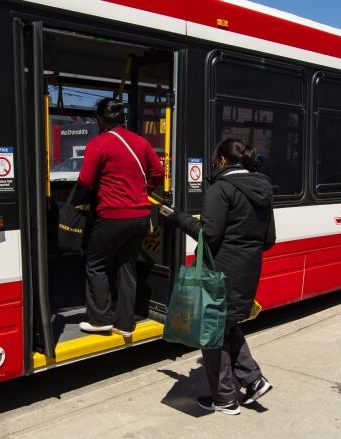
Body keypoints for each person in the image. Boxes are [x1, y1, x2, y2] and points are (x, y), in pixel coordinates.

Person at [160, 138, 276, 415]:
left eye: (215, 159)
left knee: (210, 333)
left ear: (222, 160)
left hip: (220, 273)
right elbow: (269, 239)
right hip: (248, 271)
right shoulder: (264, 187)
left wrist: (177, 217)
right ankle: (253, 379)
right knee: (226, 325)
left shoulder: (221, 189)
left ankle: (224, 399)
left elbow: (208, 235)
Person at [77, 98, 164, 337]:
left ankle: (100, 319)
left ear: (101, 119)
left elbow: (85, 180)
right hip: (141, 216)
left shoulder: (99, 143)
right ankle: (125, 324)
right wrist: (144, 190)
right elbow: (158, 171)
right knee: (127, 267)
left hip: (112, 215)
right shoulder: (141, 142)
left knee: (96, 264)